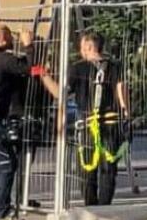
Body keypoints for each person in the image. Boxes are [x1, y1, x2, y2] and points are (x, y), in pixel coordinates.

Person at [36, 31, 128, 206]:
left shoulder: (78, 68)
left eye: (82, 48)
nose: (81, 52)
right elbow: (121, 90)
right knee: (108, 169)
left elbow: (61, 95)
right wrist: (126, 115)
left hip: (86, 124)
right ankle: (105, 206)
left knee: (87, 168)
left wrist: (44, 76)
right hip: (111, 124)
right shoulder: (115, 67)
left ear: (89, 47)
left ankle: (90, 205)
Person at [0, 25, 33, 220]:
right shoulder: (4, 60)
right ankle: (2, 212)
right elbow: (29, 68)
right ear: (3, 40)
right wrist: (29, 45)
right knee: (7, 164)